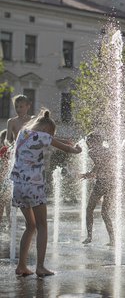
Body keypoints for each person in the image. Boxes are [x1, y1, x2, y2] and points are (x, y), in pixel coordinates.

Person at [10, 109, 82, 276]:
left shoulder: (23, 133)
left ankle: (21, 266)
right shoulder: (45, 136)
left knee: (30, 226)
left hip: (19, 187)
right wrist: (77, 148)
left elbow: (50, 140)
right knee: (42, 225)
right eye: (51, 133)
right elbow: (69, 150)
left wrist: (63, 140)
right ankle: (40, 267)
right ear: (47, 130)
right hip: (34, 186)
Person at [80, 132, 115, 246]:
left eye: (89, 141)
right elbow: (103, 164)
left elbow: (99, 164)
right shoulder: (107, 150)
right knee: (105, 212)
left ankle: (89, 237)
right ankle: (112, 239)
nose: (87, 143)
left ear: (94, 141)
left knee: (89, 209)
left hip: (102, 183)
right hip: (112, 183)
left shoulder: (93, 151)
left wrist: (88, 174)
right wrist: (90, 174)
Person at [0, 129, 11, 226]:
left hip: (4, 180)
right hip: (6, 179)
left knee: (2, 203)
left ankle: (6, 221)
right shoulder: (7, 149)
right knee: (6, 203)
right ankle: (9, 221)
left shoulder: (4, 149)